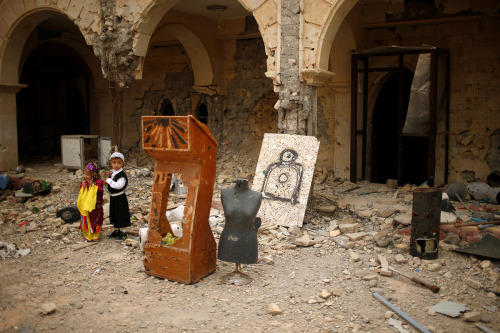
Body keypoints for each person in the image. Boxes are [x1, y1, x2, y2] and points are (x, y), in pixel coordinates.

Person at [77, 162, 104, 242]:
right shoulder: (84, 182)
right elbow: (81, 191)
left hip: (96, 206)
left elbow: (99, 190)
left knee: (96, 219)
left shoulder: (98, 182)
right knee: (86, 218)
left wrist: (92, 184)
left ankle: (95, 235)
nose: (85, 176)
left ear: (94, 175)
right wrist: (84, 186)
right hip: (86, 205)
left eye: (87, 174)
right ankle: (88, 235)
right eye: (84, 174)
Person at [106, 152, 130, 239]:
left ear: (122, 163)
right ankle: (116, 230)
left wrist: (109, 181)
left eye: (119, 163)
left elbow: (119, 185)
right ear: (111, 163)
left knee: (121, 214)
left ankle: (123, 232)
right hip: (113, 197)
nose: (116, 165)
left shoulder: (121, 175)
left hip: (120, 197)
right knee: (115, 213)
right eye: (114, 163)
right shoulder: (113, 173)